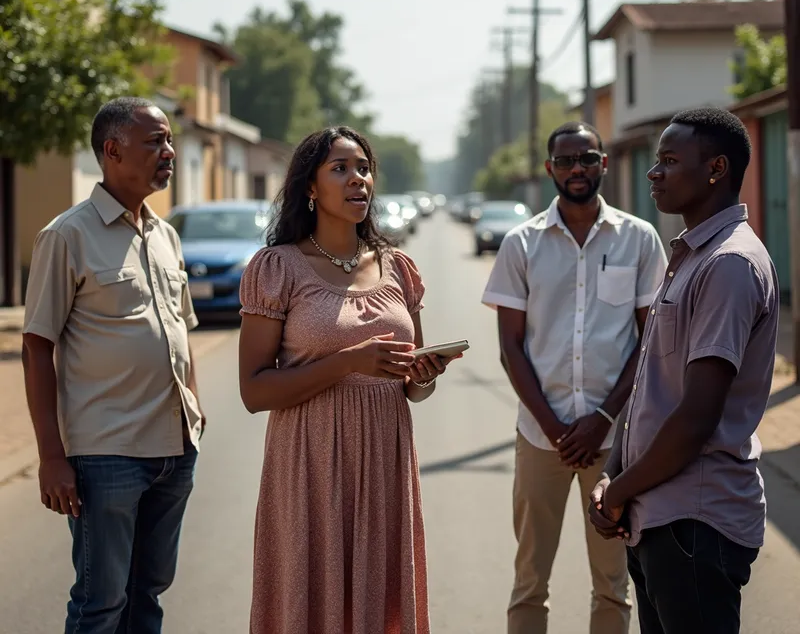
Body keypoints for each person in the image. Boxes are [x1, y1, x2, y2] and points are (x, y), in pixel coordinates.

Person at [238, 126, 458, 634]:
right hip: (310, 464)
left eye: (363, 168)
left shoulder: (397, 267)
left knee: (379, 605)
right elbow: (253, 391)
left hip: (385, 461)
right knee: (311, 603)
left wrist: (423, 375)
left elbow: (414, 387)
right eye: (340, 168)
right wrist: (346, 362)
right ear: (310, 188)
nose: (357, 179)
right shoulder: (279, 268)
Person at [589, 108, 779, 634]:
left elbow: (697, 416)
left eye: (669, 161)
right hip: (657, 518)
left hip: (695, 523)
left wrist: (621, 489)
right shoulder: (690, 257)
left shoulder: (729, 265)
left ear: (716, 169)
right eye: (656, 161)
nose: (654, 173)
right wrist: (611, 474)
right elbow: (654, 386)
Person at [21, 97, 204, 634]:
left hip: (175, 450)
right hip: (105, 457)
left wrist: (194, 406)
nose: (168, 152)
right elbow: (36, 347)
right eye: (155, 142)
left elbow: (182, 330)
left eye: (170, 141)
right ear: (112, 150)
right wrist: (51, 456)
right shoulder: (66, 235)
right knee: (100, 604)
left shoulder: (166, 235)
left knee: (146, 596)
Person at [482, 121, 668, 634]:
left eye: (586, 158)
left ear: (604, 163)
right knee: (530, 582)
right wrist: (558, 428)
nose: (577, 169)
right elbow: (510, 348)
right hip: (540, 438)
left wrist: (602, 417)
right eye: (565, 161)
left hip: (614, 442)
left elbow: (648, 344)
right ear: (550, 170)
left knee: (613, 582)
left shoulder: (639, 238)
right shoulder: (522, 243)